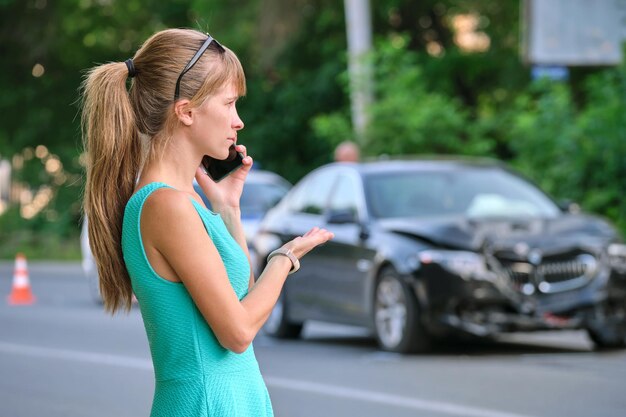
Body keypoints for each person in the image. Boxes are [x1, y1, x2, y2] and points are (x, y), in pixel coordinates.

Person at [80, 28, 333, 417]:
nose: (238, 121)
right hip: (207, 404)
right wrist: (283, 259)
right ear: (186, 111)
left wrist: (229, 208)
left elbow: (241, 300)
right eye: (230, 103)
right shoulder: (165, 205)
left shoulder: (186, 201)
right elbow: (238, 332)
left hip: (231, 401)